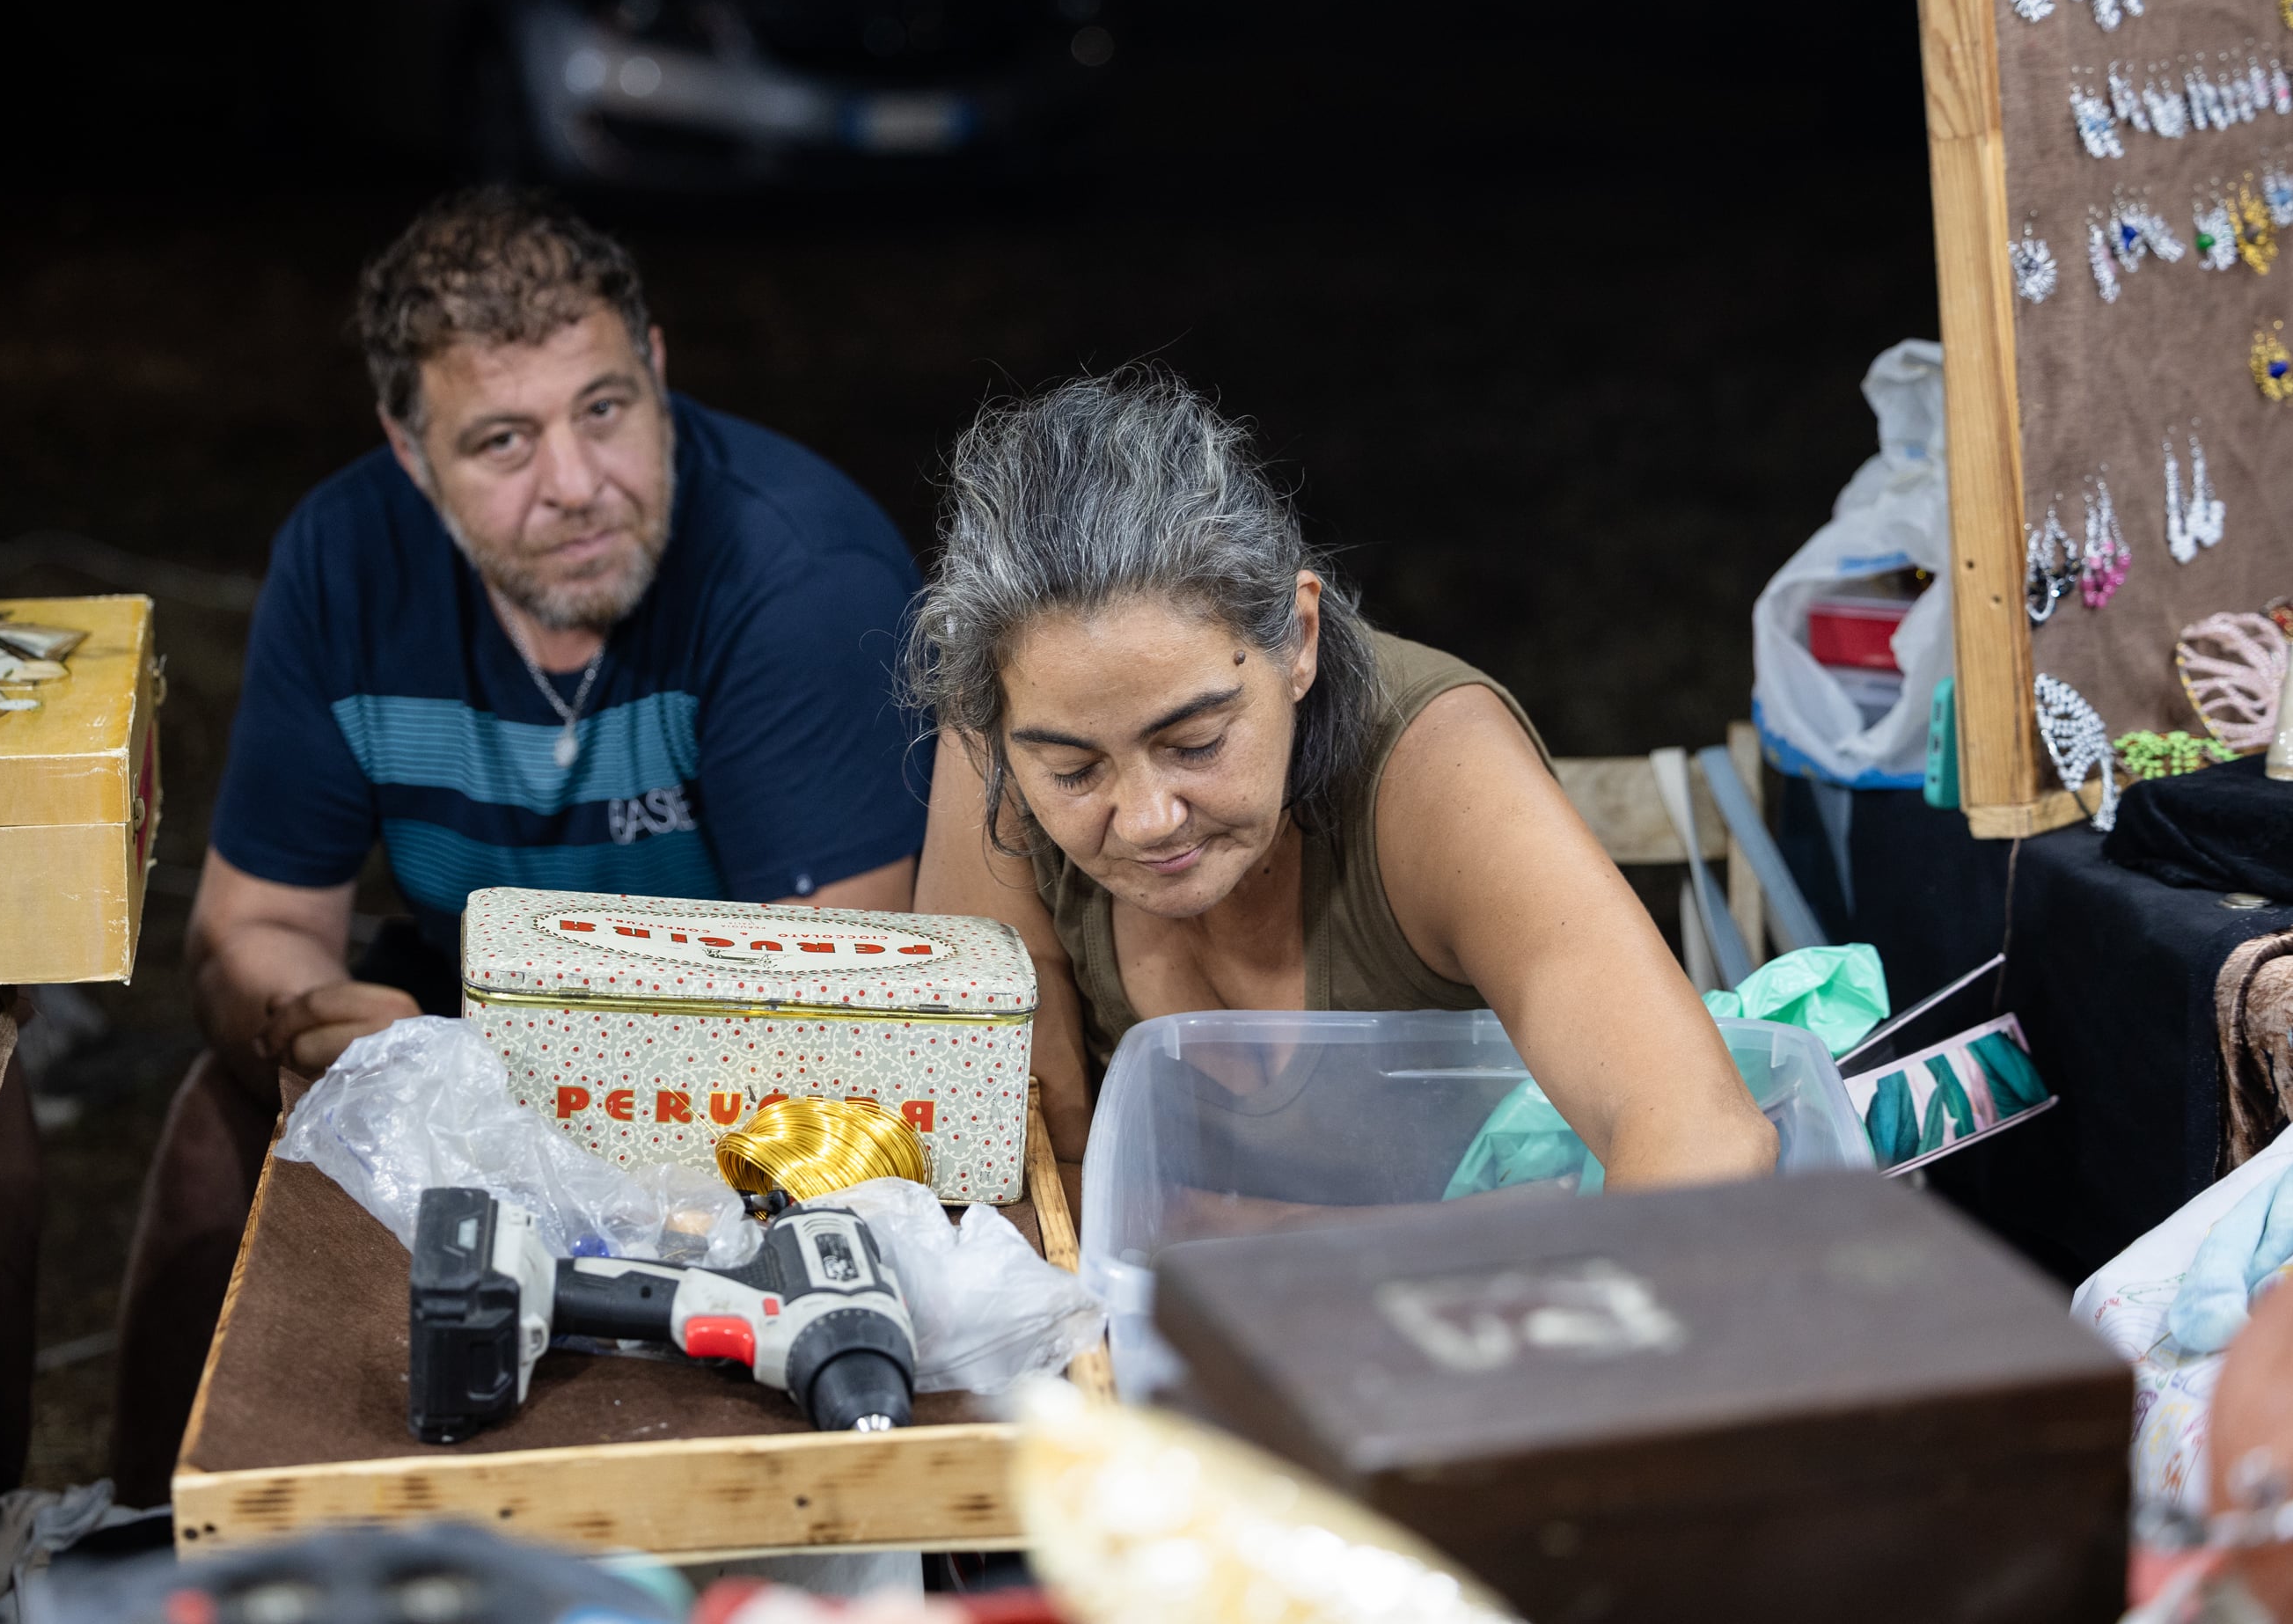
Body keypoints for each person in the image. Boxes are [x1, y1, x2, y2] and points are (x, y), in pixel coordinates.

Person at [109, 190, 928, 1499]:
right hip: (461, 1027)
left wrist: (527, 1136)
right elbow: (248, 930)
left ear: (655, 366)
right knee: (221, 1121)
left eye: (604, 409)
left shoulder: (797, 577)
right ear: (410, 450)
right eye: (502, 441)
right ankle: (150, 1533)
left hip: (735, 1070)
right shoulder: (343, 562)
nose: (577, 483)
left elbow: (836, 1002)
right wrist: (315, 1023)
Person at [908, 369, 1778, 1186]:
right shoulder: (1004, 729)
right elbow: (983, 1158)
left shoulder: (1440, 770)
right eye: (1074, 770)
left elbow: (1700, 1133)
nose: (1146, 818)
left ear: (1300, 638)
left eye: (1196, 743)